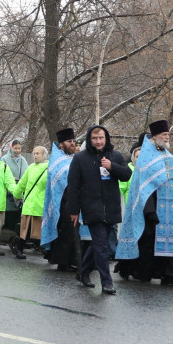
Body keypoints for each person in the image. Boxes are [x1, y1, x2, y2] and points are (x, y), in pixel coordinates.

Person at [115, 120, 173, 286]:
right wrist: (149, 210)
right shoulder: (145, 157)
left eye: (168, 134)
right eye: (164, 135)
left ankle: (172, 274)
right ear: (155, 137)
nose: (167, 137)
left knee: (172, 238)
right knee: (147, 240)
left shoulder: (167, 155)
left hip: (170, 206)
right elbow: (142, 187)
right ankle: (138, 270)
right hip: (152, 205)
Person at [65, 125, 132, 294]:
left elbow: (126, 174)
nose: (98, 141)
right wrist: (74, 210)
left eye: (101, 138)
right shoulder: (80, 158)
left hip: (110, 208)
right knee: (102, 245)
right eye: (94, 138)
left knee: (98, 244)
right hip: (91, 208)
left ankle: (83, 272)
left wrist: (112, 166)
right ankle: (106, 282)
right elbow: (73, 186)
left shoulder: (115, 156)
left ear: (106, 138)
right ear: (89, 139)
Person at [41, 128, 81, 274]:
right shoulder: (57, 159)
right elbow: (57, 181)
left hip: (72, 199)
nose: (72, 144)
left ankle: (70, 259)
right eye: (69, 141)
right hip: (61, 201)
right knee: (65, 231)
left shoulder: (72, 158)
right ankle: (62, 261)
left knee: (72, 231)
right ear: (61, 144)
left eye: (73, 141)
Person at [14, 146, 48, 251]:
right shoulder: (30, 167)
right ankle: (20, 249)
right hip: (30, 204)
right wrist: (17, 195)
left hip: (40, 204)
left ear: (44, 155)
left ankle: (38, 247)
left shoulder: (49, 168)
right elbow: (22, 184)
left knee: (35, 230)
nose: (35, 156)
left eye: (38, 153)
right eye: (34, 153)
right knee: (24, 230)